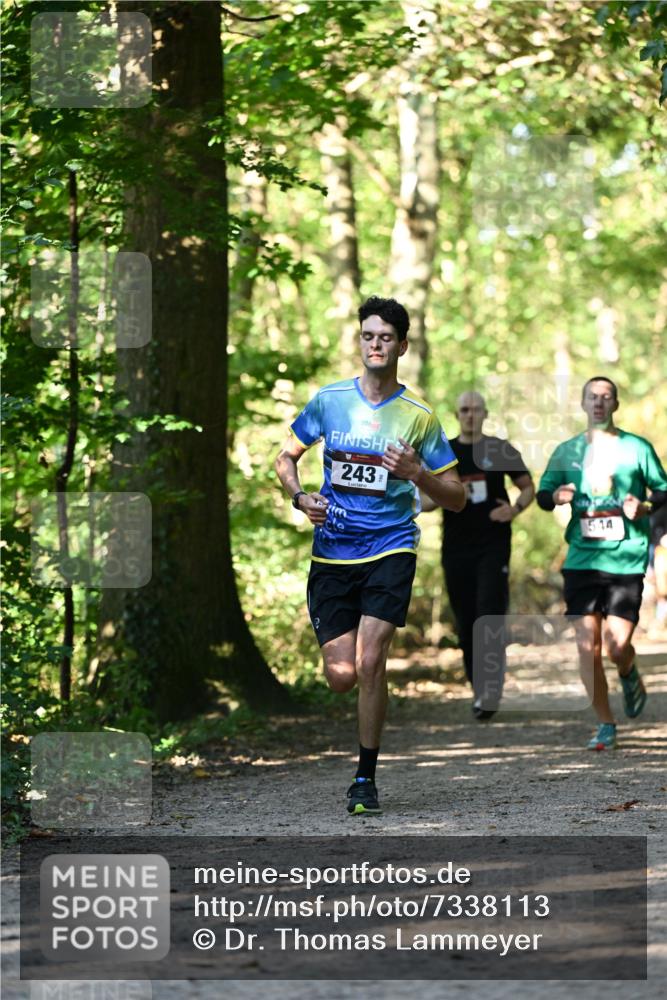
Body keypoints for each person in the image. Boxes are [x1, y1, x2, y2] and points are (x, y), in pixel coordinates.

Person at [274, 296, 465, 815]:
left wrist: (417, 474)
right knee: (342, 676)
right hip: (333, 551)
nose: (375, 345)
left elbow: (456, 496)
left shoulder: (419, 417)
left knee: (370, 660)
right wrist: (299, 497)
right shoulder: (329, 400)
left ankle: (365, 778)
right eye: (367, 336)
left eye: (385, 338)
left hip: (391, 546)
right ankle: (363, 737)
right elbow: (285, 456)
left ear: (402, 346)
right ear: (359, 341)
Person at [537, 376, 667, 750]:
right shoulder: (567, 451)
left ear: (615, 404)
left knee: (616, 646)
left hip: (625, 559)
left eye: (606, 397)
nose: (598, 402)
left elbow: (663, 489)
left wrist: (645, 506)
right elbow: (543, 494)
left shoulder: (636, 448)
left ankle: (628, 669)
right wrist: (556, 496)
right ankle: (605, 723)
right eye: (592, 397)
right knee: (586, 646)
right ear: (582, 404)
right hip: (581, 560)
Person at [420, 391, 534, 718]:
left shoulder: (499, 449)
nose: (470, 415)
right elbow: (425, 502)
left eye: (476, 410)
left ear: (485, 414)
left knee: (489, 613)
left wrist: (514, 509)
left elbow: (527, 487)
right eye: (464, 410)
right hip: (456, 548)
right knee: (466, 620)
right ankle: (479, 689)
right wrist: (439, 494)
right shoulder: (444, 452)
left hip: (493, 545)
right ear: (457, 415)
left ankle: (490, 689)